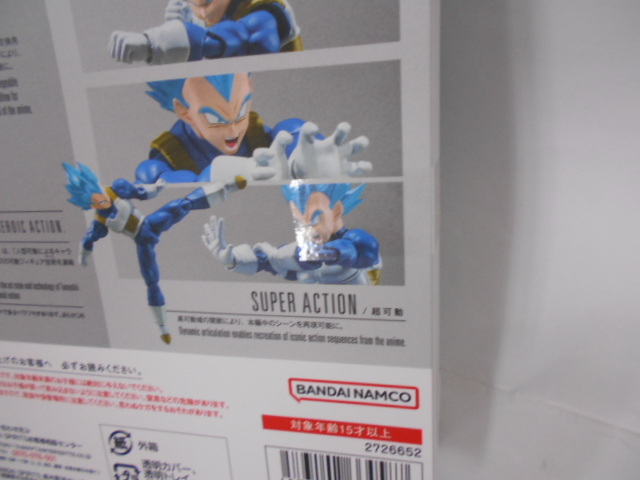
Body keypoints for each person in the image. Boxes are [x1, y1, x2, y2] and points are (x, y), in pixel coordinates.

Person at [64, 162, 246, 344]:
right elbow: (88, 240)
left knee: (184, 204)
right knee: (152, 283)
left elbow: (140, 192)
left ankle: (230, 185)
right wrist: (83, 255)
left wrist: (157, 188)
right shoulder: (100, 221)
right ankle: (163, 329)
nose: (99, 199)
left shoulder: (116, 190)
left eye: (96, 192)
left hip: (149, 223)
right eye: (92, 200)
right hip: (142, 242)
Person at [136, 73, 372, 184]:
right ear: (184, 111)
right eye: (214, 118)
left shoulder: (267, 136)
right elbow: (162, 188)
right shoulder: (164, 161)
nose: (233, 132)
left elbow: (293, 133)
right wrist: (228, 174)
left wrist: (304, 163)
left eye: (240, 113)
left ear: (250, 87)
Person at [202, 183, 381, 285]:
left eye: (315, 218)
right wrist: (233, 259)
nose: (310, 229)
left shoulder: (358, 243)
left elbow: (354, 251)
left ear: (337, 210)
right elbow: (267, 261)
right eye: (302, 222)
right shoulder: (302, 252)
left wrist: (320, 254)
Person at [108, 0, 302, 65]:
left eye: (207, 3)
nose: (201, 12)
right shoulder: (201, 15)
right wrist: (188, 25)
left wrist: (153, 43)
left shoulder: (266, 13)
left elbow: (235, 39)